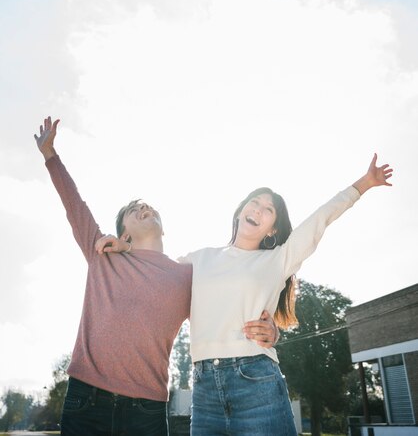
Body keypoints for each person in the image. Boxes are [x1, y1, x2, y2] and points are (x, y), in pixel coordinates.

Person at [99, 152, 393, 435]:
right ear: (239, 211)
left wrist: (364, 184)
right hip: (204, 388)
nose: (258, 210)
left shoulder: (278, 259)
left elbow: (321, 218)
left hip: (256, 381)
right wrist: (128, 247)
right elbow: (157, 274)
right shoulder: (199, 259)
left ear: (271, 229)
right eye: (255, 202)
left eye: (268, 210)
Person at [34, 116, 277, 436]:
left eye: (147, 206)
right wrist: (50, 155)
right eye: (133, 210)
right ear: (124, 232)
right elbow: (74, 204)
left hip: (146, 409)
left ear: (164, 225)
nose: (143, 208)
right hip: (87, 400)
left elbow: (226, 310)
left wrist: (269, 328)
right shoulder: (102, 253)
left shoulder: (187, 275)